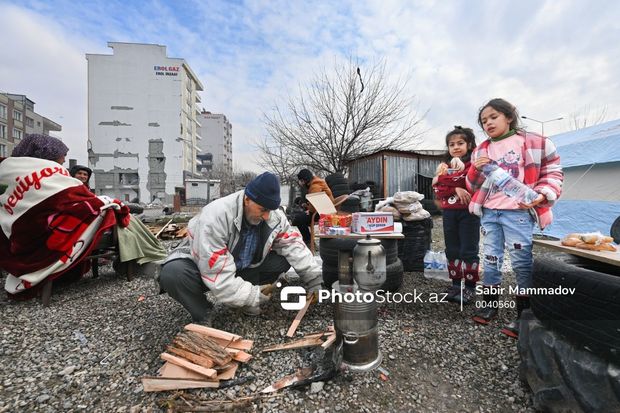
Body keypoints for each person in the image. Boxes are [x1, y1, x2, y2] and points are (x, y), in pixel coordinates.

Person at [158, 172, 323, 322]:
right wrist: (252, 295)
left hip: (240, 265)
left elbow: (294, 245)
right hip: (203, 267)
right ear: (247, 199)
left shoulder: (273, 216)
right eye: (262, 209)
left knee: (283, 258)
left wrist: (314, 279)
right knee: (173, 274)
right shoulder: (216, 217)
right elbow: (216, 272)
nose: (267, 216)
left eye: (270, 211)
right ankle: (204, 312)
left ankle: (242, 299)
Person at [466, 98, 563, 337]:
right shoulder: (481, 150)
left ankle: (524, 316)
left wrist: (543, 194)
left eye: (493, 117)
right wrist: (474, 169)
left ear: (509, 117)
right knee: (490, 259)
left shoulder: (533, 142)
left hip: (518, 213)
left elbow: (553, 171)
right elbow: (471, 185)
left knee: (521, 262)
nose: (488, 123)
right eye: (484, 120)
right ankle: (489, 306)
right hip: (489, 212)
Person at [0, 134, 128, 296]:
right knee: (114, 210)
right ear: (50, 153)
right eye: (62, 156)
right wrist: (110, 203)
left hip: (20, 240)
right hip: (48, 238)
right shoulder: (52, 171)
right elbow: (82, 203)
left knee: (112, 210)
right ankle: (138, 258)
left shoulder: (7, 172)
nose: (63, 160)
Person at [432, 126, 480, 305]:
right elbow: (437, 187)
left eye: (460, 143)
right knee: (452, 249)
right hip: (449, 213)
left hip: (469, 214)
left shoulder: (473, 165)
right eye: (451, 144)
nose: (456, 147)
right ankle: (455, 285)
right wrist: (455, 187)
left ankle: (470, 287)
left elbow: (470, 182)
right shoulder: (445, 167)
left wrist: (449, 181)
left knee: (468, 250)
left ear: (469, 144)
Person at [292, 169, 335, 246]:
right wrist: (308, 206)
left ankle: (309, 242)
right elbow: (316, 201)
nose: (301, 183)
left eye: (301, 181)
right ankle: (309, 241)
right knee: (299, 218)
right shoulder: (316, 182)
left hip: (324, 212)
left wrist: (309, 210)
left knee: (298, 220)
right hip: (322, 209)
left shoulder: (315, 186)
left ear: (305, 179)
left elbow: (314, 205)